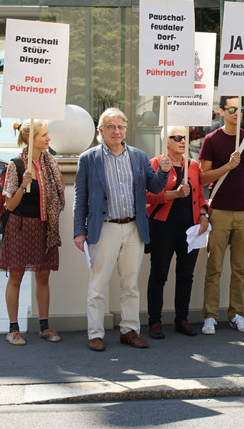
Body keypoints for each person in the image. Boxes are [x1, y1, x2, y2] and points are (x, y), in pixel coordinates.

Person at [73, 108, 171, 352]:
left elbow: (156, 187)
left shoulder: (138, 156)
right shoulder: (88, 159)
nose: (117, 131)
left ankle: (130, 331)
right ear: (101, 131)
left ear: (126, 129)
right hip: (104, 228)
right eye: (111, 127)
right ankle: (95, 334)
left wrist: (164, 171)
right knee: (98, 286)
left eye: (120, 127)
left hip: (133, 228)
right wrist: (79, 231)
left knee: (130, 285)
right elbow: (80, 197)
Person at [0, 120, 66, 345]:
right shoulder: (16, 165)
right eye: (44, 135)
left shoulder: (50, 163)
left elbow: (59, 193)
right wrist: (22, 184)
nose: (48, 138)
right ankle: (13, 328)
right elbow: (9, 204)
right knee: (16, 275)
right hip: (20, 226)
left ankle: (44, 326)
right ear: (31, 139)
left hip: (44, 226)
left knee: (43, 275)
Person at [199, 96, 244, 334]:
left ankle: (236, 314)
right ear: (222, 111)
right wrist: (227, 166)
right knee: (214, 267)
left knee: (239, 268)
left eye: (241, 109)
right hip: (220, 212)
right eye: (233, 109)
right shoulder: (211, 140)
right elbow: (203, 177)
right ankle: (210, 316)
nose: (238, 113)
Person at [145, 126, 210, 339]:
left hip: (189, 228)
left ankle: (182, 319)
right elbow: (148, 196)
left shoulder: (192, 165)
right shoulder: (155, 164)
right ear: (167, 142)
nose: (183, 141)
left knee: (185, 276)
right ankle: (155, 321)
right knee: (159, 275)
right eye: (178, 138)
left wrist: (203, 214)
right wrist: (173, 194)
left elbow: (199, 194)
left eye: (185, 137)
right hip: (162, 228)